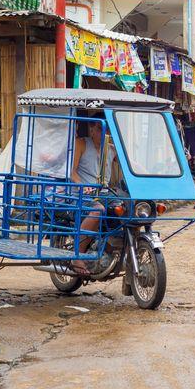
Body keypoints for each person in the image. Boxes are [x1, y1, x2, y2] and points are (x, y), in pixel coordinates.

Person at [70, 115, 108, 275]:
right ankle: (76, 255)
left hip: (106, 194)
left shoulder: (110, 148)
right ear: (92, 129)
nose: (104, 132)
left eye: (107, 129)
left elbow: (131, 165)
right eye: (100, 128)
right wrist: (81, 186)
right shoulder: (82, 144)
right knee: (98, 210)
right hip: (82, 195)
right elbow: (71, 170)